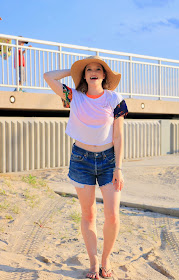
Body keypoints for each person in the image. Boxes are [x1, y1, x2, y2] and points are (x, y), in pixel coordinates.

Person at [43, 56, 128, 279]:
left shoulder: (114, 99)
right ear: (84, 75)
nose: (93, 72)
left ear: (104, 75)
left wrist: (119, 168)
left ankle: (106, 260)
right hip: (81, 160)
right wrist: (72, 71)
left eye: (98, 69)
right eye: (88, 69)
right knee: (88, 213)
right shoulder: (74, 96)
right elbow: (48, 76)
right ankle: (93, 263)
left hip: (109, 161)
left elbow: (118, 136)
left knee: (112, 216)